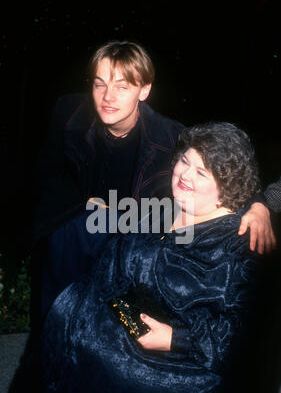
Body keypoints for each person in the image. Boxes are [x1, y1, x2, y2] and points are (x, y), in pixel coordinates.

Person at [39, 122, 262, 393]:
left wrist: (177, 339)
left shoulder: (239, 248)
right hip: (119, 325)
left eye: (202, 172)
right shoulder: (162, 208)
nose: (185, 175)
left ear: (226, 186)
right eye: (185, 161)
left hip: (171, 371)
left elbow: (246, 341)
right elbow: (115, 258)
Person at [33, 40, 274, 323]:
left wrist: (259, 205)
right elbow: (45, 172)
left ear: (144, 90)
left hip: (131, 231)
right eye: (100, 84)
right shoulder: (68, 112)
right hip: (73, 223)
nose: (108, 96)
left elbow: (223, 171)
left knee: (106, 322)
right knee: (54, 316)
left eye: (122, 87)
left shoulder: (170, 135)